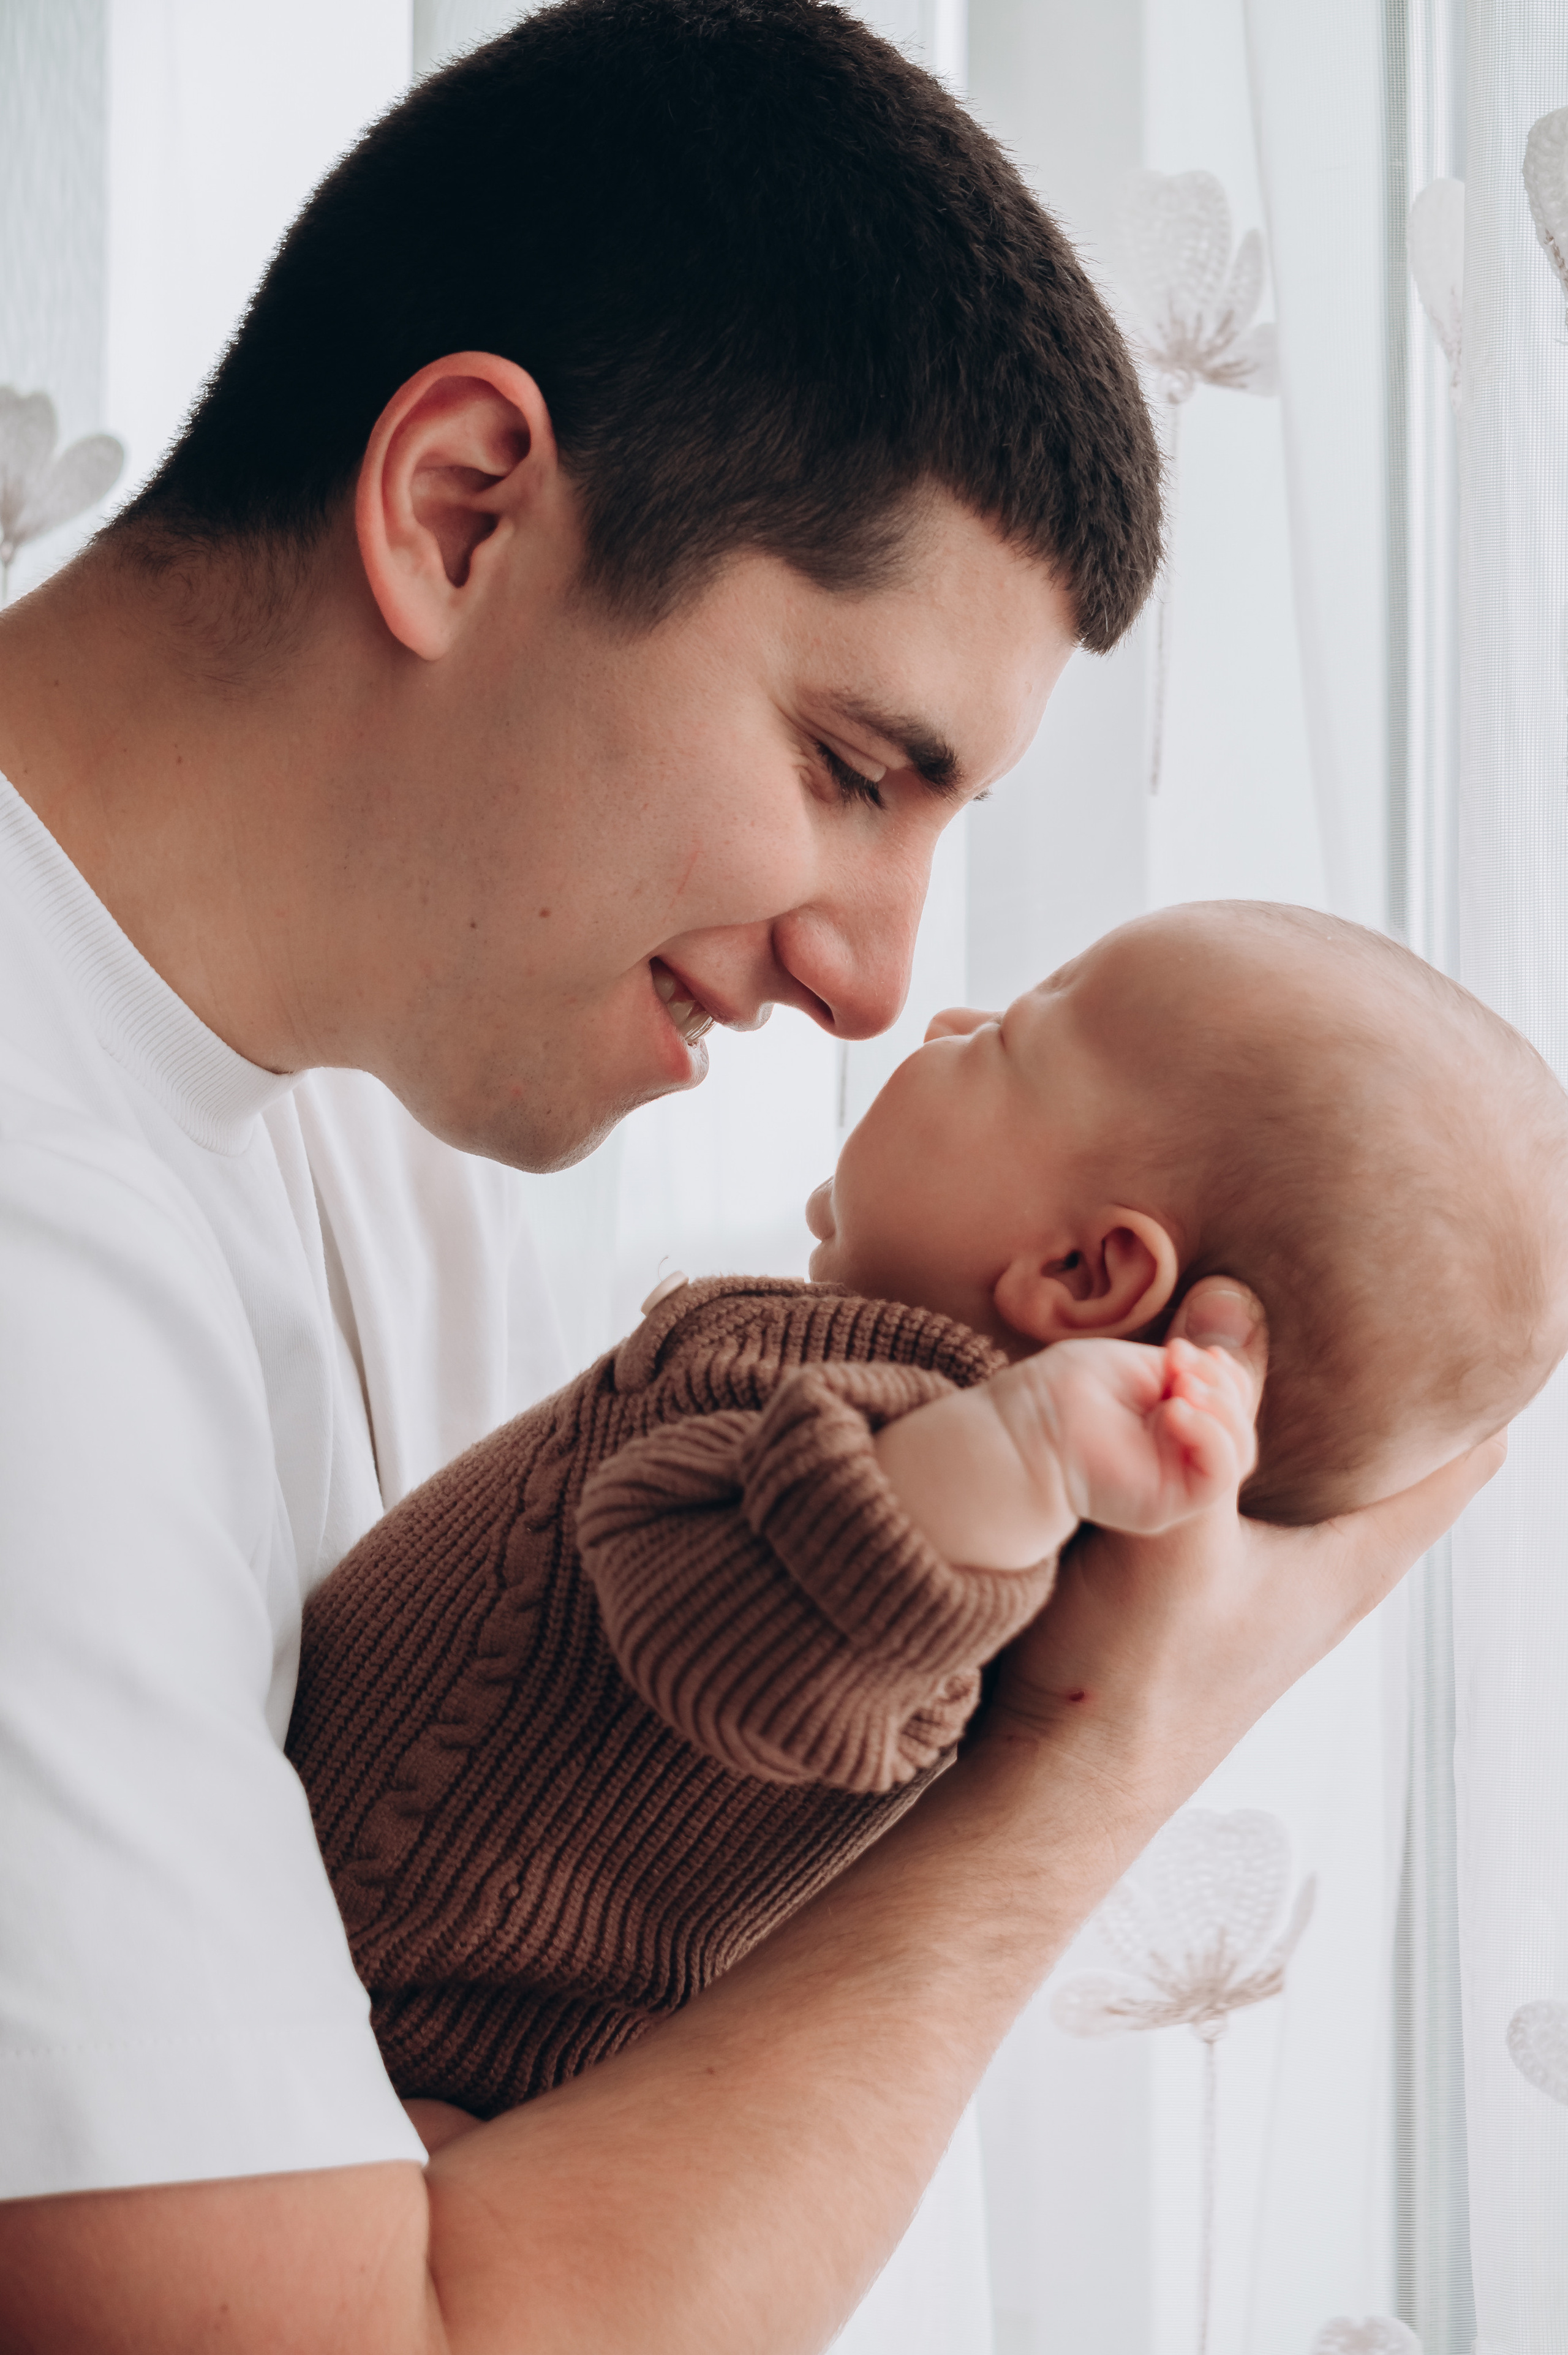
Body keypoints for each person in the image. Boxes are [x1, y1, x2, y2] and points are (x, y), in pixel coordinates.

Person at [0, 5, 1499, 2350]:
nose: (881, 977)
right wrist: (1105, 1754)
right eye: (848, 764)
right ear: (460, 509)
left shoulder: (345, 1120)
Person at [287, 900, 1568, 2130]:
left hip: (385, 1995)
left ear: (1081, 1274)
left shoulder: (930, 1492)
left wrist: (1025, 1446)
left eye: (1006, 1037)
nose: (944, 1018)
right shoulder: (890, 1421)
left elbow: (742, 1635)